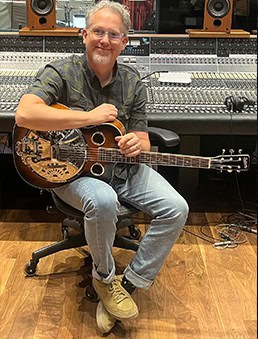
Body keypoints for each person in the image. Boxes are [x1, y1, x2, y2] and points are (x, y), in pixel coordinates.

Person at [16, 0, 189, 334]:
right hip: (72, 173)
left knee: (176, 207)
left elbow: (141, 134)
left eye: (113, 34)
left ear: (124, 42)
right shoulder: (61, 72)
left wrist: (139, 143)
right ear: (84, 35)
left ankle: (130, 284)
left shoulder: (132, 81)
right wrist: (88, 117)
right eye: (98, 31)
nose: (104, 40)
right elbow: (25, 113)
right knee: (103, 200)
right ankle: (104, 279)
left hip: (122, 168)